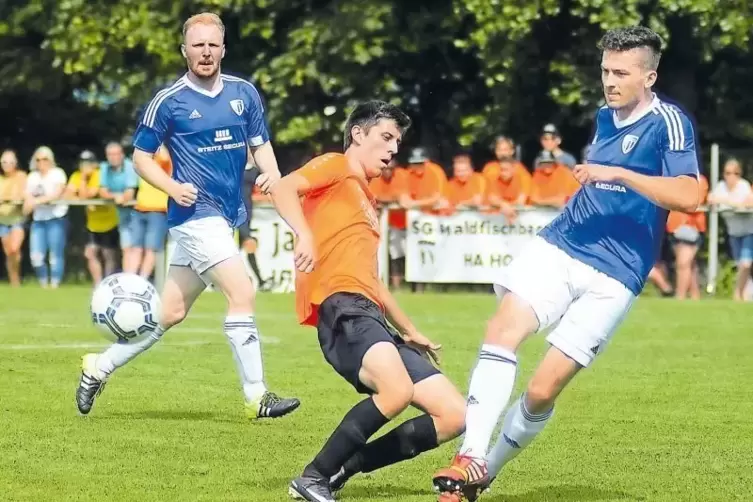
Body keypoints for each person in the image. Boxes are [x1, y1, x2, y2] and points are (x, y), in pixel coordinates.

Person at [433, 26, 701, 502]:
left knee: (541, 390)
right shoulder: (604, 116)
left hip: (618, 272)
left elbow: (691, 194)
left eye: (621, 72)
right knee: (502, 332)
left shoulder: (669, 123)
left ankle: (486, 471)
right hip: (561, 244)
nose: (610, 81)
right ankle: (471, 454)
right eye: (605, 71)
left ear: (650, 76)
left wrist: (619, 173)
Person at [75, 12, 300, 420]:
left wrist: (272, 173)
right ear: (185, 51)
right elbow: (141, 157)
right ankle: (257, 396)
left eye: (213, 44)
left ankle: (98, 366)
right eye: (198, 45)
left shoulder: (244, 93)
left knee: (170, 313)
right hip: (194, 215)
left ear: (223, 49)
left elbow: (260, 144)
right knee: (242, 291)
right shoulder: (169, 101)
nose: (206, 52)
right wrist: (172, 187)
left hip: (225, 216)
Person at [269, 101, 465, 502]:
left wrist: (410, 332)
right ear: (358, 134)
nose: (394, 148)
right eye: (386, 137)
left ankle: (343, 468)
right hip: (341, 305)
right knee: (394, 392)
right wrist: (303, 235)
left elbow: (374, 280)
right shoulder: (337, 166)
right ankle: (313, 476)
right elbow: (284, 187)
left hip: (370, 313)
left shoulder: (366, 198)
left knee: (454, 414)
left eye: (397, 140)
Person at [65, 150, 120, 285]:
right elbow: (67, 194)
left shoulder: (100, 174)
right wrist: (82, 182)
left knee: (109, 254)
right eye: (83, 163)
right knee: (90, 253)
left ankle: (108, 283)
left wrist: (83, 183)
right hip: (92, 224)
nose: (85, 166)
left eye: (89, 162)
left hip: (109, 221)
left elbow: (89, 194)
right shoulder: (76, 176)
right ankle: (98, 283)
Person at [707, 158, 753, 300]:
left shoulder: (743, 186)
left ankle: (737, 295)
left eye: (734, 173)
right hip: (733, 232)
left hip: (748, 231)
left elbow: (745, 204)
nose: (730, 176)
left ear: (739, 174)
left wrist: (723, 201)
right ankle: (745, 295)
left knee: (745, 264)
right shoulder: (720, 187)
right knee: (740, 266)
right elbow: (711, 199)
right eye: (727, 173)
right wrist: (713, 200)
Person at [23, 146, 69, 289]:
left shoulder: (58, 174)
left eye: (45, 159)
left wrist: (36, 201)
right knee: (36, 256)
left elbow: (57, 194)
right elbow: (26, 195)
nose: (41, 162)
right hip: (38, 219)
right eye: (38, 159)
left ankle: (55, 284)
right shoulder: (32, 177)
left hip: (56, 218)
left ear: (51, 160)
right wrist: (28, 202)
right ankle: (43, 283)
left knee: (55, 255)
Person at [129, 145, 170, 279]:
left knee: (150, 249)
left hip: (157, 210)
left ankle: (142, 279)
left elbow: (164, 156)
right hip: (140, 208)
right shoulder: (143, 163)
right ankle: (131, 278)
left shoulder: (164, 163)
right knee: (135, 248)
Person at [98, 141, 139, 271]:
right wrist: (116, 196)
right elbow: (102, 191)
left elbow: (129, 193)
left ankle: (136, 278)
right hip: (120, 213)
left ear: (122, 155)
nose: (113, 157)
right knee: (126, 247)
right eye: (110, 154)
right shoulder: (104, 167)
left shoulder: (129, 166)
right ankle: (128, 277)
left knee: (136, 247)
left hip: (137, 212)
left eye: (116, 154)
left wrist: (120, 196)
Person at [238, 162, 271, 290]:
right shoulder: (235, 165)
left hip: (248, 211)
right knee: (249, 244)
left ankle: (259, 281)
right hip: (236, 211)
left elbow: (261, 186)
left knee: (240, 248)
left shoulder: (255, 170)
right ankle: (261, 280)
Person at [0, 149, 28, 286]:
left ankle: (16, 279)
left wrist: (6, 198)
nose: (7, 164)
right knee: (8, 252)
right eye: (4, 162)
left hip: (17, 220)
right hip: (2, 221)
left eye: (10, 162)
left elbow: (19, 194)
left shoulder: (21, 176)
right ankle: (14, 280)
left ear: (15, 163)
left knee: (15, 249)